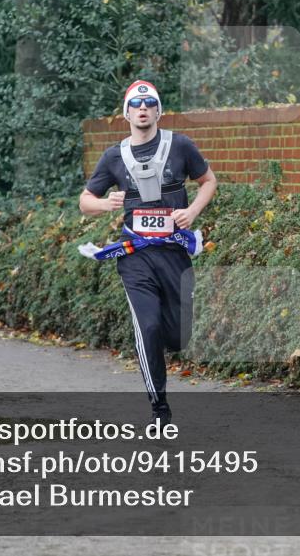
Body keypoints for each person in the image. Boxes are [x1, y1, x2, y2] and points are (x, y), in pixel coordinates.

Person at [79, 80, 217, 424]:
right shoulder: (113, 156)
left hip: (174, 253)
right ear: (126, 113)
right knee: (149, 327)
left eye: (149, 103)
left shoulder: (180, 146)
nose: (143, 109)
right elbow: (84, 203)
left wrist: (193, 212)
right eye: (136, 105)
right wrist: (103, 203)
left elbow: (209, 181)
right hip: (134, 255)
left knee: (177, 335)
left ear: (159, 111)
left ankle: (164, 358)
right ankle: (159, 406)